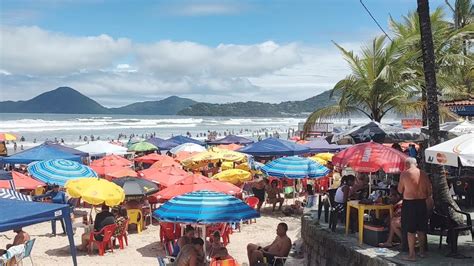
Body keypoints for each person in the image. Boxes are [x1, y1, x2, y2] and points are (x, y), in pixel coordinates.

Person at [398, 157, 432, 261]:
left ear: (407, 165)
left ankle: (412, 255)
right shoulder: (424, 174)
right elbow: (429, 191)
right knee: (421, 229)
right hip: (421, 203)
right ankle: (422, 252)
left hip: (409, 203)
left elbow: (400, 190)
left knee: (410, 230)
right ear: (416, 164)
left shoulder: (404, 174)